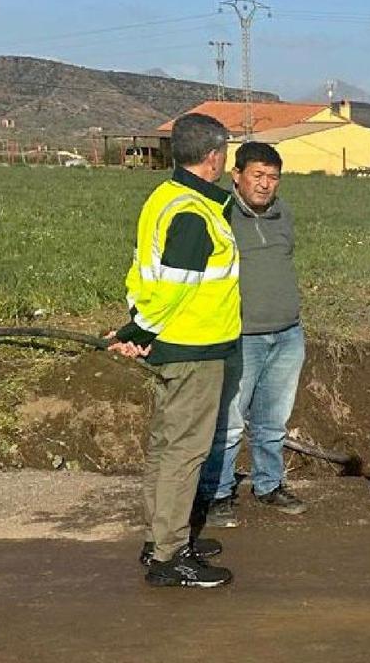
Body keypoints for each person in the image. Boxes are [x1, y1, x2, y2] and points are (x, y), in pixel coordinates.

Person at [108, 113, 240, 588]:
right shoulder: (192, 213)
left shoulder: (163, 198)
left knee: (166, 446)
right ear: (214, 156)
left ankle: (161, 535)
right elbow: (174, 286)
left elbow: (140, 270)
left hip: (174, 345)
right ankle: (169, 557)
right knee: (184, 452)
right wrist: (140, 329)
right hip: (193, 348)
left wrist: (137, 323)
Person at [197, 141, 307, 526]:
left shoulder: (283, 214)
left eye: (272, 177)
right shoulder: (220, 215)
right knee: (230, 419)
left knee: (274, 418)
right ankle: (218, 492)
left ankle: (269, 484)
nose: (265, 185)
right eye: (257, 175)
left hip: (288, 333)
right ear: (237, 176)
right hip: (242, 335)